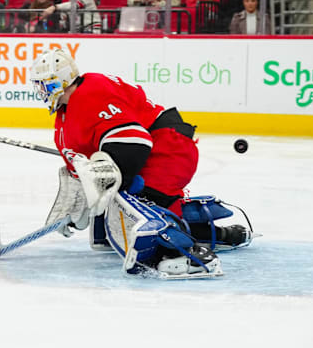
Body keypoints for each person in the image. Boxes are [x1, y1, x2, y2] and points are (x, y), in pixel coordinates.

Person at [29, 49, 252, 277]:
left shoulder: (91, 93)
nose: (40, 91)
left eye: (44, 85)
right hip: (155, 150)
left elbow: (135, 143)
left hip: (169, 147)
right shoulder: (65, 117)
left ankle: (187, 254)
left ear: (60, 81)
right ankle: (215, 234)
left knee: (137, 203)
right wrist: (72, 208)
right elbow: (82, 169)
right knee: (123, 200)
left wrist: (112, 182)